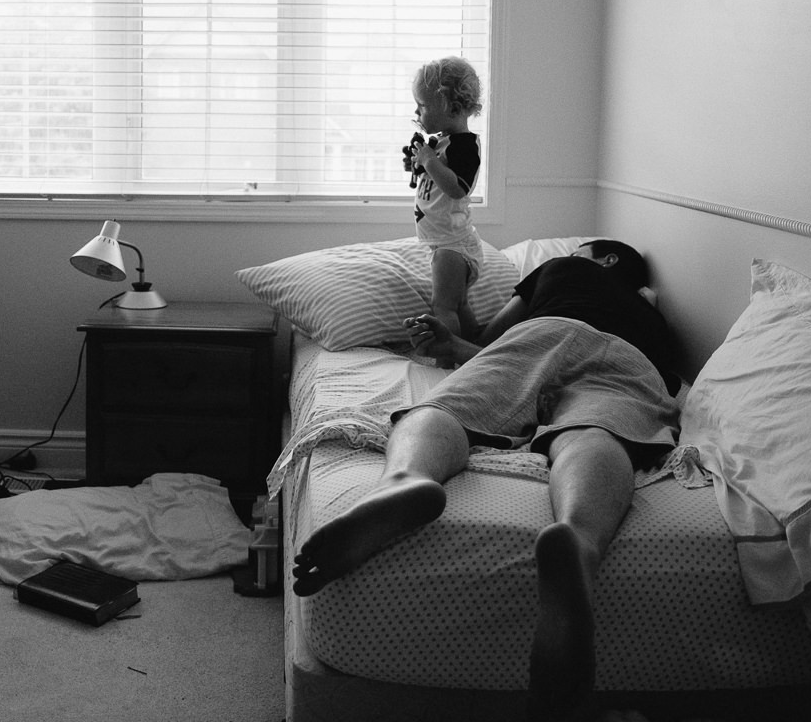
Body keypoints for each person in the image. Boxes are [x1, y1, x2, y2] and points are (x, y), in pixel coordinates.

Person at [291, 240, 680, 720]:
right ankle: (580, 536)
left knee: (445, 408)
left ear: (605, 260)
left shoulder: (558, 270)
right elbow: (672, 380)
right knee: (597, 429)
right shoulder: (656, 324)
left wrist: (453, 346)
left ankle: (406, 479)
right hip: (628, 360)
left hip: (538, 337)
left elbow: (490, 344)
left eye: (583, 250)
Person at [406, 57, 484, 338]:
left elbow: (457, 188)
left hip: (454, 246)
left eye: (423, 106)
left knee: (443, 307)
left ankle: (446, 358)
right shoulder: (441, 142)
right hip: (447, 243)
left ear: (450, 106)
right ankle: (478, 348)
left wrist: (430, 162)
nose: (417, 111)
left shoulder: (465, 145)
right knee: (458, 304)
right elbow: (433, 180)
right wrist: (418, 162)